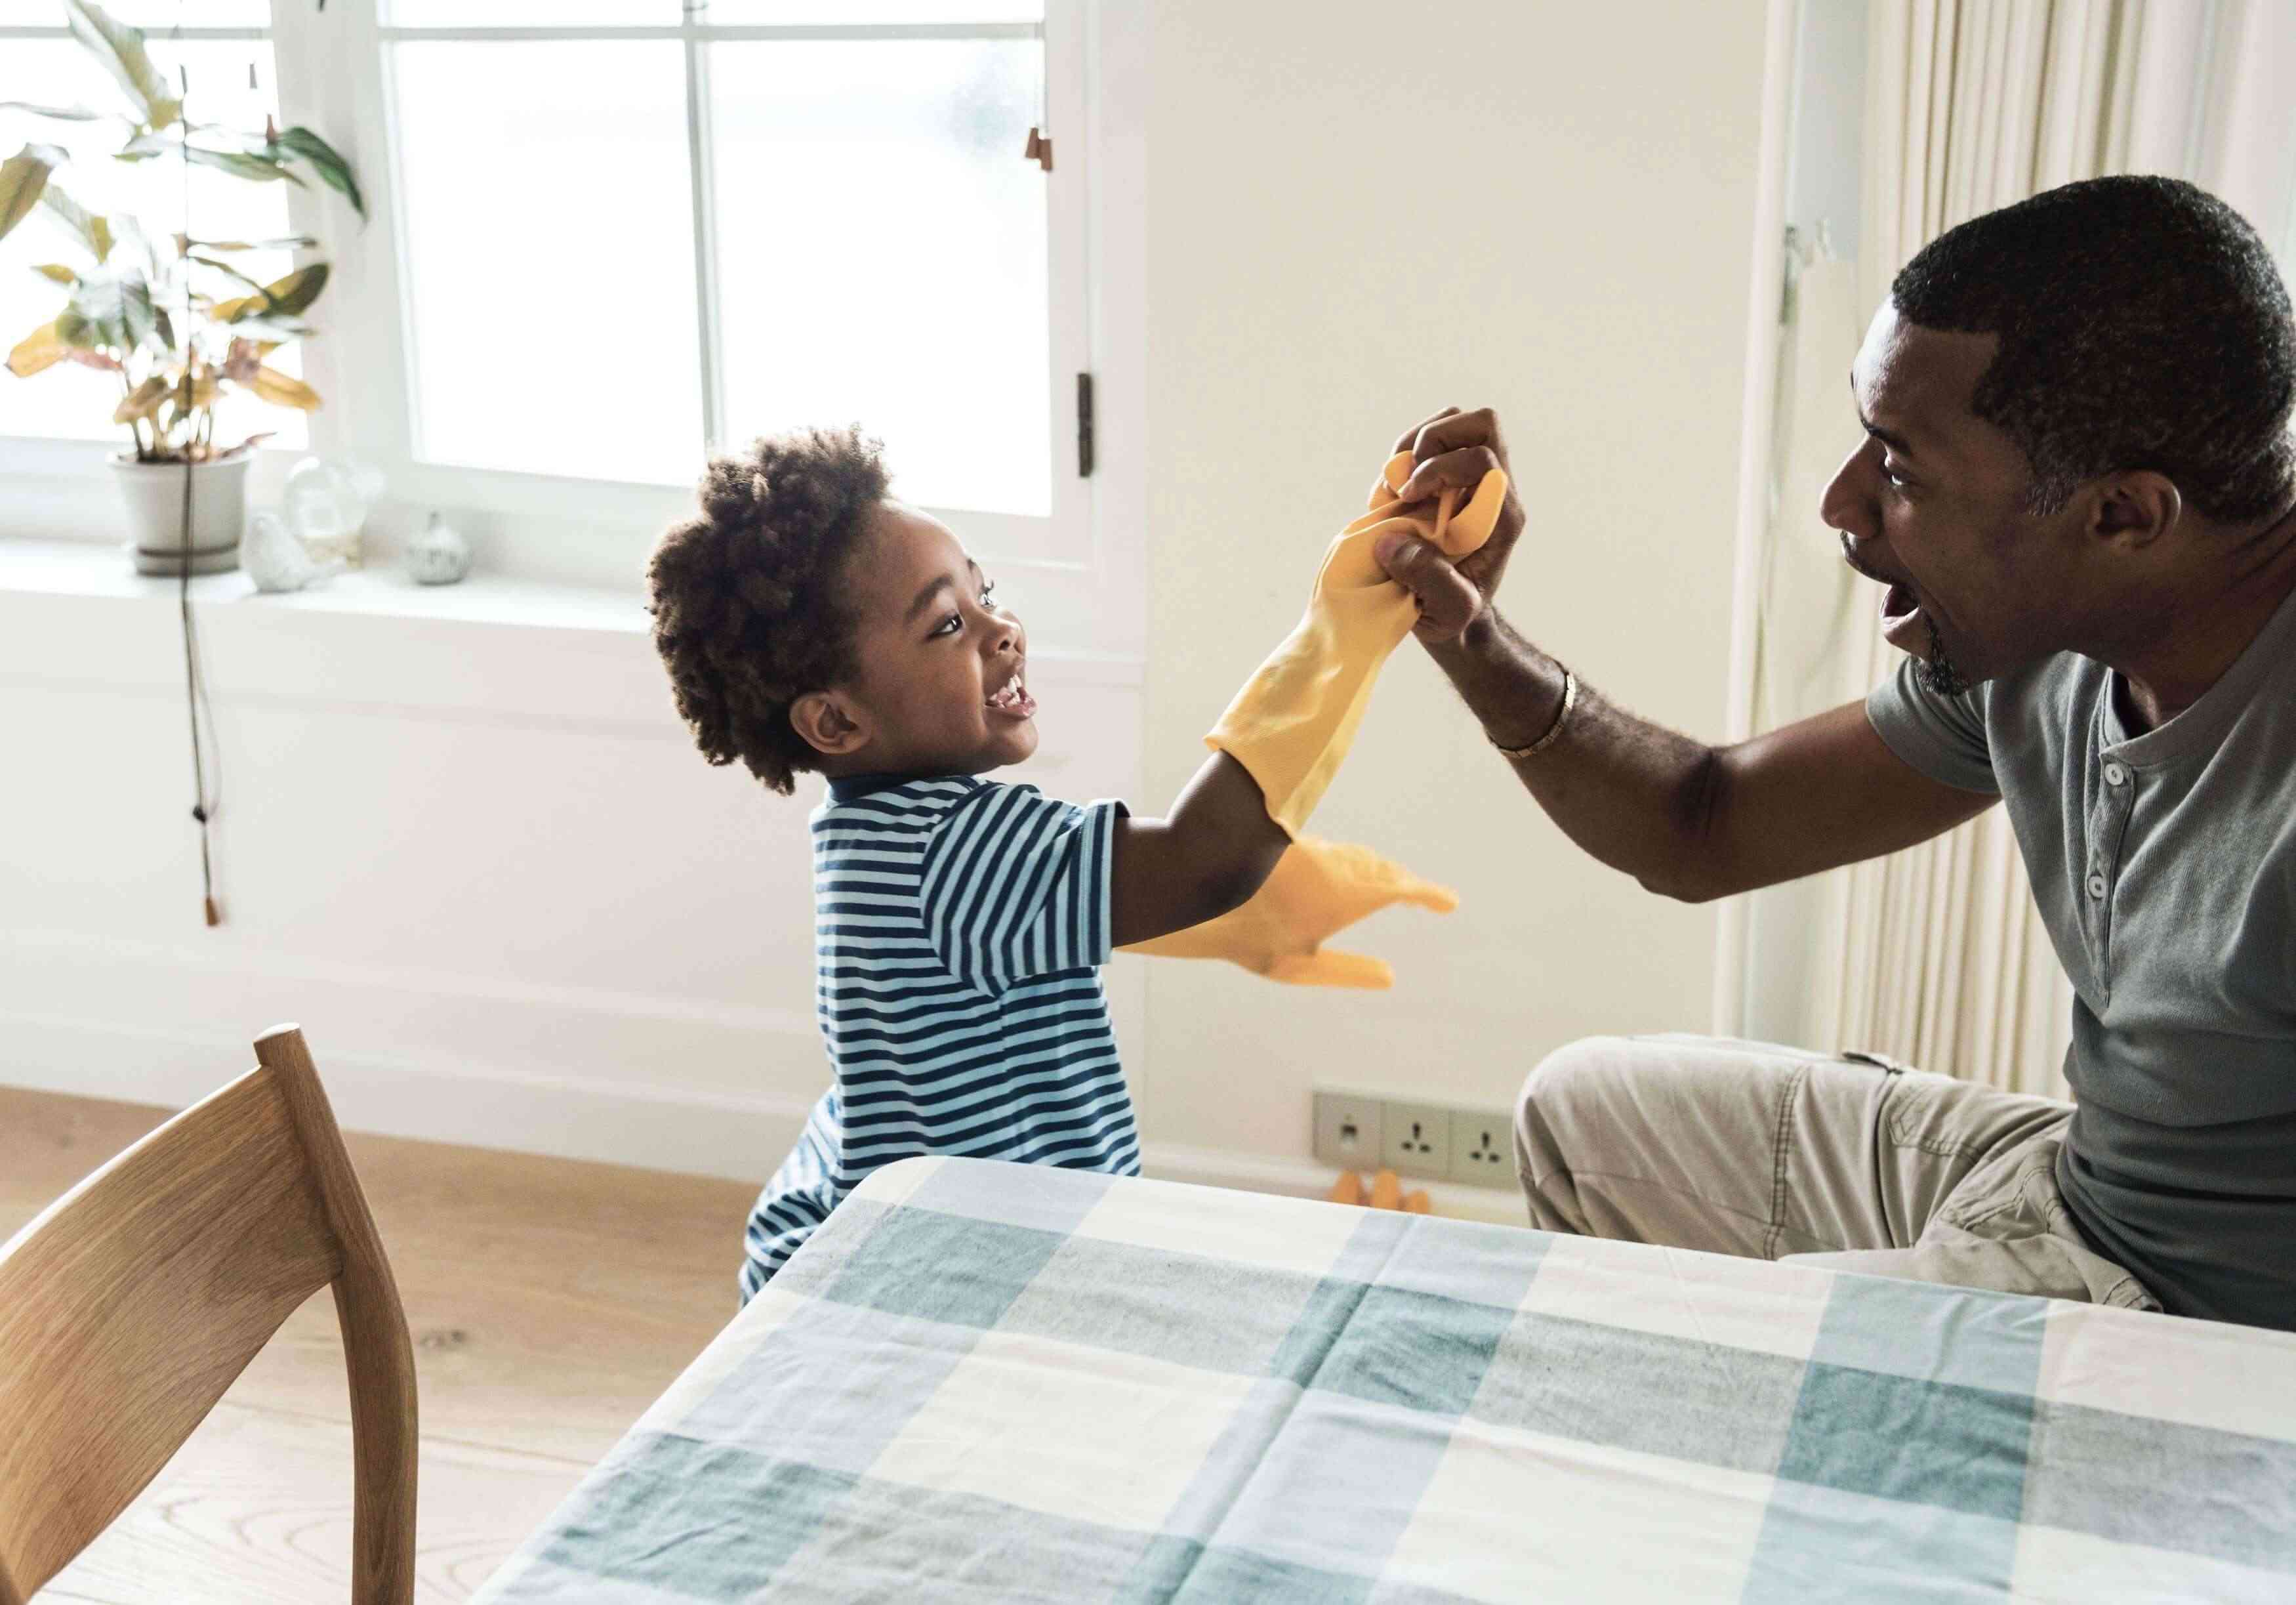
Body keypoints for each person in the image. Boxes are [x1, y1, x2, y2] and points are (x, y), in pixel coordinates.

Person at [1371, 175, 2296, 1331]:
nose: (1840, 503)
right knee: (1581, 1112)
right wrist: (1470, 633)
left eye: (1900, 470)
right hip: (2069, 1179)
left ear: (2123, 516)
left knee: (1676, 1345)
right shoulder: (2046, 645)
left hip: (2191, 1313)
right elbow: (1701, 822)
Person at [649, 427, 1288, 1299]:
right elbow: (1208, 858)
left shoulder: (869, 829)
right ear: (836, 723)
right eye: (948, 623)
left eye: (986, 595)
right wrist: (1340, 639)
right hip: (942, 1282)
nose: (1004, 632)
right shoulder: (959, 850)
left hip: (856, 1229)